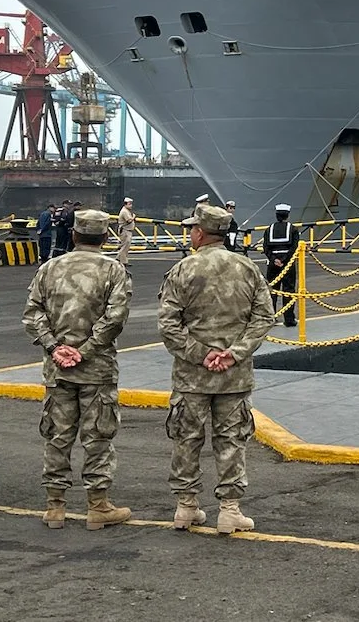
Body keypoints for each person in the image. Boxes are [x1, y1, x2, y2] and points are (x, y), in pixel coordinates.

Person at [158, 203, 274, 534]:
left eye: (192, 229)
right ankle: (230, 510)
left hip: (191, 377)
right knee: (231, 440)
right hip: (233, 376)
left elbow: (168, 324)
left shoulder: (183, 270)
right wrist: (233, 354)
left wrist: (200, 353)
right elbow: (264, 317)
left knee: (186, 438)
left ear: (199, 233)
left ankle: (185, 507)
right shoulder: (247, 269)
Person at [23, 209, 133, 530]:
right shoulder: (114, 271)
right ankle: (98, 505)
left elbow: (32, 314)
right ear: (103, 237)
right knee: (97, 436)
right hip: (97, 370)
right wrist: (84, 351)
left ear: (73, 235)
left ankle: (55, 506)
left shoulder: (49, 269)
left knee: (57, 436)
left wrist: (56, 348)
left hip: (57, 370)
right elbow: (115, 319)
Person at [262, 204, 299, 327]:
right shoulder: (292, 229)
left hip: (272, 264)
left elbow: (266, 247)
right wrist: (284, 260)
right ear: (287, 215)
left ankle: (270, 318)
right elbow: (294, 247)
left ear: (276, 215)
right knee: (289, 291)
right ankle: (289, 319)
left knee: (272, 291)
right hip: (288, 264)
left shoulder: (269, 229)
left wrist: (274, 260)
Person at [115, 197, 137, 265]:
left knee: (125, 246)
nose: (131, 205)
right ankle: (123, 261)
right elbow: (129, 220)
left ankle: (118, 259)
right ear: (125, 204)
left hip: (127, 230)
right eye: (129, 204)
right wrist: (133, 217)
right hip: (125, 231)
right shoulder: (124, 211)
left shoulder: (126, 211)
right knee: (125, 246)